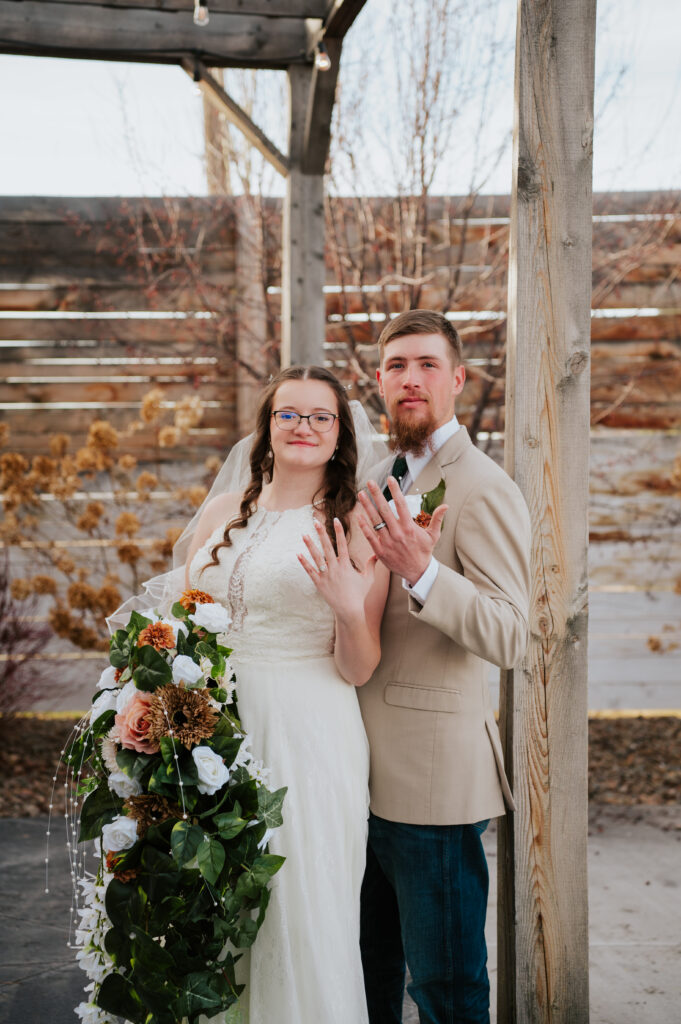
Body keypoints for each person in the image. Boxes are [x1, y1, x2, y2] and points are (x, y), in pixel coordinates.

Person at [183, 365, 390, 1024]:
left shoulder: (356, 523)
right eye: (288, 414)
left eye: (320, 417)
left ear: (340, 433)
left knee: (294, 908)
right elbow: (183, 619)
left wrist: (348, 607)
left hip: (307, 730)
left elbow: (359, 668)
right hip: (211, 727)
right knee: (210, 903)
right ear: (267, 428)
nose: (304, 427)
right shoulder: (222, 511)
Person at [356, 309, 532, 1024]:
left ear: (457, 380)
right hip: (355, 776)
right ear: (379, 381)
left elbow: (511, 635)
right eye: (397, 365)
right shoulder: (375, 478)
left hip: (432, 784)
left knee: (446, 989)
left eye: (428, 364)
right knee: (366, 978)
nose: (411, 379)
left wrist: (425, 574)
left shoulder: (483, 486)